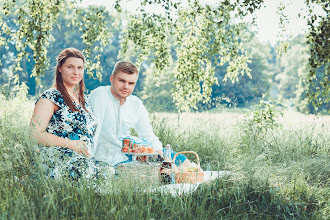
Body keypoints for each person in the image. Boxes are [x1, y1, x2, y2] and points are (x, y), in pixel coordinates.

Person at [88, 61, 190, 168]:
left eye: (131, 83)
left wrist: (161, 155)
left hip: (131, 153)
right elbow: (93, 131)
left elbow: (147, 134)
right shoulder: (100, 95)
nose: (126, 86)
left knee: (178, 158)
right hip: (107, 157)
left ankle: (195, 177)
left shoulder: (135, 103)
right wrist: (89, 160)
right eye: (121, 81)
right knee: (147, 171)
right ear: (112, 79)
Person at [30, 48, 111, 180]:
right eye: (70, 67)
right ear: (60, 68)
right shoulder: (50, 97)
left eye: (80, 68)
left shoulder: (82, 100)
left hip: (83, 158)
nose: (76, 72)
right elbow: (35, 134)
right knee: (85, 170)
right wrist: (71, 144)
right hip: (57, 157)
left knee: (110, 171)